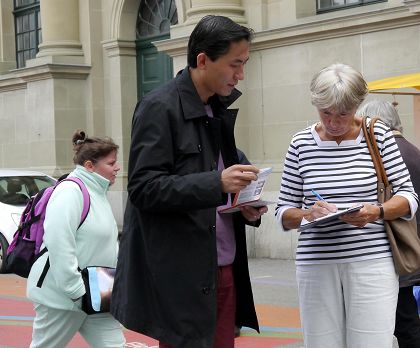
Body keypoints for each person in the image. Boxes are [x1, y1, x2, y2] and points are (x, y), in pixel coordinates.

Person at [111, 15, 266, 348]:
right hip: (183, 273)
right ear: (202, 60)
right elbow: (143, 188)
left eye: (244, 64)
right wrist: (217, 184)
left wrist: (243, 204)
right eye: (234, 64)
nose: (241, 74)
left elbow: (217, 177)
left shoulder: (217, 109)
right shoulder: (158, 107)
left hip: (222, 266)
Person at [275, 63, 418, 348]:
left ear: (357, 105)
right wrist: (307, 213)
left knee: (372, 343)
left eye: (343, 113)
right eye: (326, 112)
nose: (334, 122)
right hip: (316, 265)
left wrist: (375, 211)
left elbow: (409, 197)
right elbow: (283, 212)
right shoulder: (301, 143)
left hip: (372, 262)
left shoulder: (378, 135)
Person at [356, 100, 420, 348]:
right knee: (404, 322)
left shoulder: (384, 153)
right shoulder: (414, 151)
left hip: (393, 251)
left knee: (402, 326)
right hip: (413, 249)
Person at [27, 130, 124, 347]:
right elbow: (59, 242)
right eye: (111, 163)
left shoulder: (97, 193)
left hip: (97, 295)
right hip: (63, 298)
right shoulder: (70, 191)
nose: (117, 168)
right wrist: (75, 291)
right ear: (90, 166)